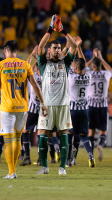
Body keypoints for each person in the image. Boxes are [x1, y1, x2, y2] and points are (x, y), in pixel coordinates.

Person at [0, 40, 47, 179]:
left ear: (5, 50)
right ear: (17, 50)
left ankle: (11, 172)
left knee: (8, 140)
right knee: (17, 138)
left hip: (7, 107)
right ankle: (13, 172)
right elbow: (35, 86)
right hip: (22, 107)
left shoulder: (0, 65)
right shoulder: (25, 65)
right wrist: (43, 103)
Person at [35, 15, 77, 175]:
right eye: (54, 48)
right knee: (43, 134)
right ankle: (44, 167)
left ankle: (62, 168)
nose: (57, 50)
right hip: (47, 104)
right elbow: (40, 46)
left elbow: (73, 46)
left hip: (62, 104)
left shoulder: (65, 63)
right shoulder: (43, 63)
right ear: (49, 50)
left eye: (59, 48)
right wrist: (50, 29)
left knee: (63, 134)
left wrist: (63, 31)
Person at [67, 36, 95, 168]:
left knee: (69, 134)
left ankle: (68, 160)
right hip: (84, 110)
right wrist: (78, 47)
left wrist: (73, 46)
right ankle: (90, 153)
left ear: (76, 69)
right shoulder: (88, 75)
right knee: (83, 135)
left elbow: (70, 62)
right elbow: (82, 62)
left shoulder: (71, 77)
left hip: (72, 110)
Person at [87, 49, 112, 162]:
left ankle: (90, 154)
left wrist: (92, 58)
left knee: (91, 131)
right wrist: (101, 58)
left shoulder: (89, 74)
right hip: (102, 106)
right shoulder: (106, 74)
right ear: (100, 66)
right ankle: (101, 146)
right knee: (103, 131)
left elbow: (82, 67)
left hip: (91, 106)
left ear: (93, 66)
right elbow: (111, 70)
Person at [20, 46, 40, 166]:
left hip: (33, 109)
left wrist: (33, 55)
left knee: (25, 131)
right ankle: (40, 159)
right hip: (44, 109)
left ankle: (27, 157)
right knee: (41, 134)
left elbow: (26, 67)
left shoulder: (34, 77)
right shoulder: (48, 77)